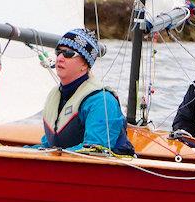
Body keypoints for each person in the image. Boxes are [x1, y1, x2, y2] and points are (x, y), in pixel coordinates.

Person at [32, 27, 134, 155]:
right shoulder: (55, 95)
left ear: (85, 64)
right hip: (61, 167)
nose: (60, 58)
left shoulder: (101, 101)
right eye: (58, 52)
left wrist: (51, 153)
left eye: (68, 53)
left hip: (101, 171)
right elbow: (48, 144)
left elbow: (96, 149)